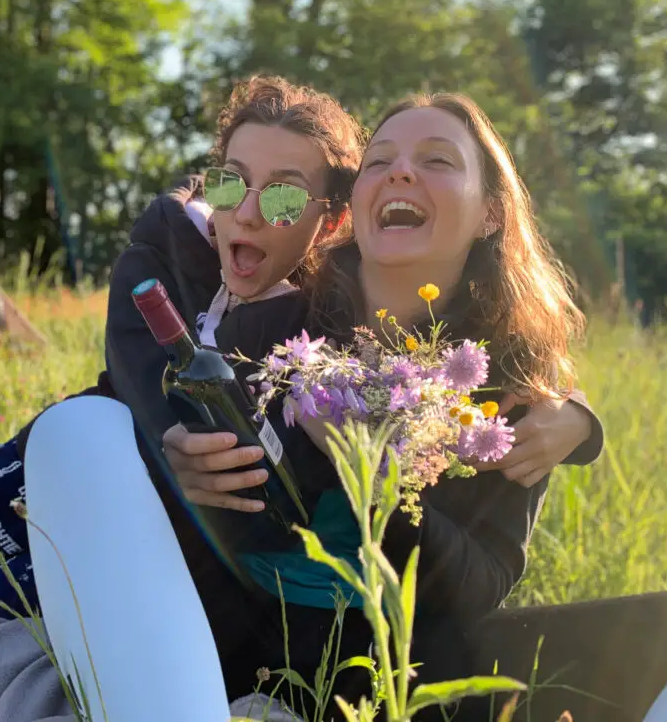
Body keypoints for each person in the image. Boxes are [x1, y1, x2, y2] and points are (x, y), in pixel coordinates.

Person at [0, 79, 601, 664]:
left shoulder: (457, 363)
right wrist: (176, 440)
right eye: (230, 184)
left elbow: (459, 553)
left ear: (326, 220)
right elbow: (143, 359)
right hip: (80, 460)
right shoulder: (238, 285)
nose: (249, 212)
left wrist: (575, 421)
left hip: (163, 551)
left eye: (286, 199)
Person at [159, 90, 601, 718]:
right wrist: (177, 463)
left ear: (491, 215)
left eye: (439, 160)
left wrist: (367, 469)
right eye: (379, 160)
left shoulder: (512, 383)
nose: (399, 171)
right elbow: (197, 500)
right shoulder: (277, 329)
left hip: (389, 674)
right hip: (222, 644)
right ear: (355, 203)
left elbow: (481, 585)